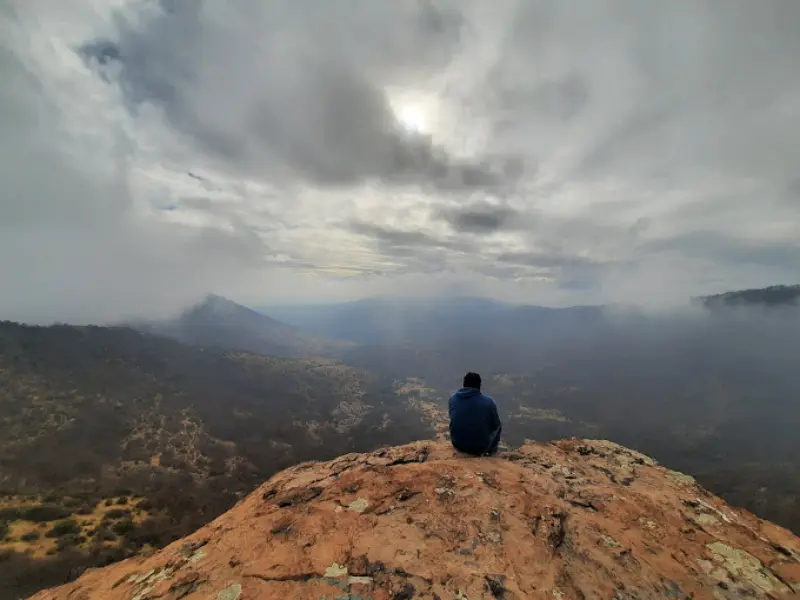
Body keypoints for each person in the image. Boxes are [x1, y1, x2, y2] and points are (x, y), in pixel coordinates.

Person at [448, 372, 502, 456]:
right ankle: (491, 453)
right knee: (498, 426)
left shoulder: (453, 399)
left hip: (458, 444)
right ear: (479, 385)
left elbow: (453, 418)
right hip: (480, 448)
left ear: (464, 384)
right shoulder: (489, 402)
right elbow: (496, 425)